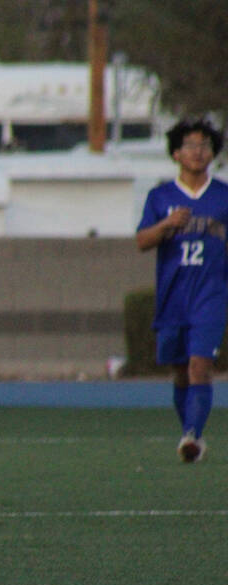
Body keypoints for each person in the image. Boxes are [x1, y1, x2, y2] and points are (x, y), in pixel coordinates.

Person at [135, 117, 228, 462]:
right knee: (179, 372)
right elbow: (142, 241)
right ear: (176, 153)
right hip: (173, 297)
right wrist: (166, 225)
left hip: (211, 296)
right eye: (190, 145)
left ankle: (193, 436)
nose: (198, 151)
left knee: (200, 367)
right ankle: (189, 430)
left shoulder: (223, 197)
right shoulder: (160, 196)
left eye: (204, 145)